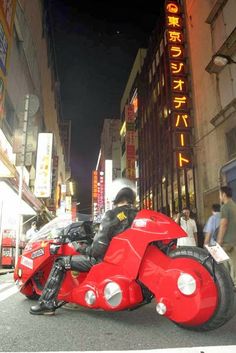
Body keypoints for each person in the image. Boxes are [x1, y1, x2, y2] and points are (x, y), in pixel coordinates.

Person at [30, 178, 138, 315]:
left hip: (105, 262)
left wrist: (79, 246)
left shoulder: (111, 215)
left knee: (60, 262)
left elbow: (96, 250)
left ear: (115, 194)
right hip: (127, 263)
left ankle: (47, 303)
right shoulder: (138, 215)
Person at [217, 186, 236, 286]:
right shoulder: (234, 205)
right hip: (234, 241)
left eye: (220, 194)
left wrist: (219, 241)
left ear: (224, 194)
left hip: (226, 243)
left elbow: (223, 224)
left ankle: (227, 286)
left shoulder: (225, 207)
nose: (219, 197)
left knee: (222, 265)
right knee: (234, 264)